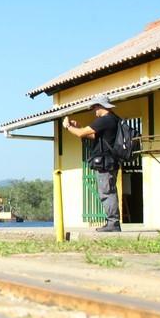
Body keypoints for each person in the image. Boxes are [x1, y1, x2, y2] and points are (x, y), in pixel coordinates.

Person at [63, 93, 121, 232]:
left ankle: (113, 223)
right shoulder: (114, 119)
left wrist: (68, 127)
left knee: (107, 192)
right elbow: (92, 135)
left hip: (105, 162)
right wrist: (79, 127)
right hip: (111, 160)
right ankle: (112, 222)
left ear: (100, 106)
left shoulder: (105, 120)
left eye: (94, 107)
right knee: (109, 190)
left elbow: (81, 134)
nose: (94, 110)